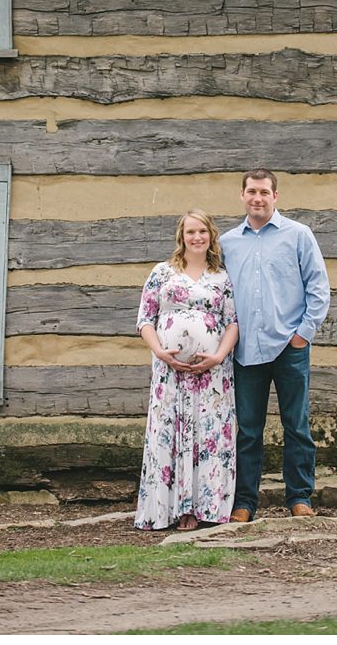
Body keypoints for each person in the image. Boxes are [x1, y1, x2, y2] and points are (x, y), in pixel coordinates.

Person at [221, 169, 331, 520]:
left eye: (264, 192)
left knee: (296, 426)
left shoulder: (298, 235)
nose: (258, 198)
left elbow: (318, 288)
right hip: (246, 351)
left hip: (289, 347)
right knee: (248, 431)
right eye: (251, 192)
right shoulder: (227, 243)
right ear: (242, 196)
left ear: (275, 196)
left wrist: (303, 335)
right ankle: (244, 503)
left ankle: (300, 497)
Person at [134, 211, 239, 530]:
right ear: (181, 236)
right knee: (172, 432)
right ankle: (172, 510)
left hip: (212, 375)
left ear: (211, 235)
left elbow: (233, 322)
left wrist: (219, 356)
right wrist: (161, 353)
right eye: (190, 232)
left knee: (206, 434)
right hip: (170, 373)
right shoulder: (162, 273)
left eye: (202, 231)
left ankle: (204, 508)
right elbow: (144, 320)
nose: (197, 237)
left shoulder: (222, 276)